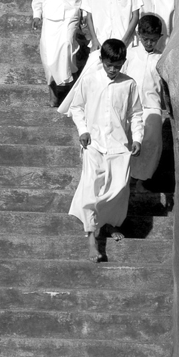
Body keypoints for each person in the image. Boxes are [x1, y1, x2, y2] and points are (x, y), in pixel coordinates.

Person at [61, 38, 143, 263]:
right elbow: (76, 107)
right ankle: (92, 241)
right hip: (93, 145)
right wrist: (83, 130)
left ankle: (108, 223)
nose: (113, 70)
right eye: (109, 65)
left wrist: (137, 138)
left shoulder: (129, 84)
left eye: (118, 66)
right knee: (90, 190)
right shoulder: (89, 80)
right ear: (102, 60)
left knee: (117, 189)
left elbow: (136, 113)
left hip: (118, 146)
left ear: (123, 63)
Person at [123, 13, 164, 182]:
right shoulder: (130, 55)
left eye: (153, 40)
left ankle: (142, 177)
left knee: (151, 141)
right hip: (130, 107)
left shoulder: (161, 58)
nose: (149, 43)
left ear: (159, 37)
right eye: (146, 39)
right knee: (128, 139)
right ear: (139, 35)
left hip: (152, 106)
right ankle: (126, 176)